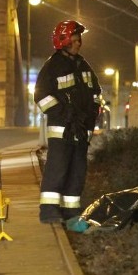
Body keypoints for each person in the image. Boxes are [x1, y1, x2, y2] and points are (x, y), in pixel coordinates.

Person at [34, 20, 102, 225]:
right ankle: (49, 211)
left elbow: (96, 94)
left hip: (81, 129)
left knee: (77, 170)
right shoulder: (53, 66)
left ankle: (72, 212)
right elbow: (42, 97)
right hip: (62, 128)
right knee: (58, 167)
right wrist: (66, 113)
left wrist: (90, 117)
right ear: (63, 40)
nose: (78, 42)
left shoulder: (84, 65)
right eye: (74, 38)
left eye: (79, 38)